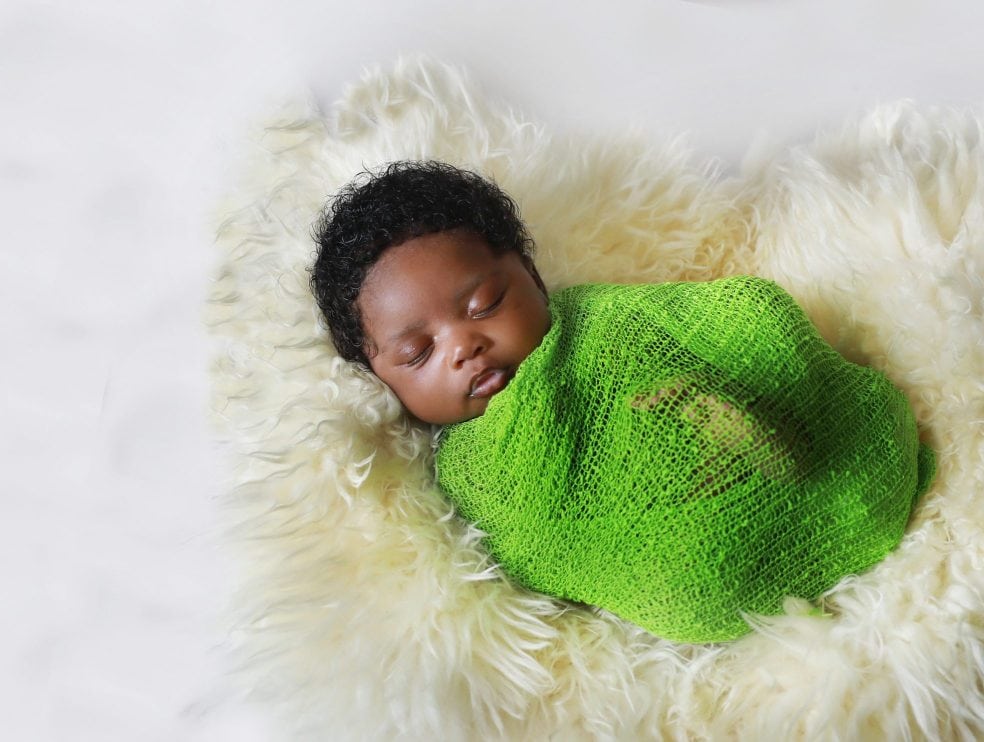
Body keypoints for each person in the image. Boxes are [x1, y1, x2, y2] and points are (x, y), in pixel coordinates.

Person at [311, 160, 935, 643]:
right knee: (694, 564)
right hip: (684, 557)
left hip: (749, 435)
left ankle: (802, 477)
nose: (463, 347)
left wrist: (736, 354)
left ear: (529, 273)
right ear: (381, 378)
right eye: (419, 353)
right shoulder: (471, 471)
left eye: (483, 307)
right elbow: (538, 545)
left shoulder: (605, 323)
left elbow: (732, 320)